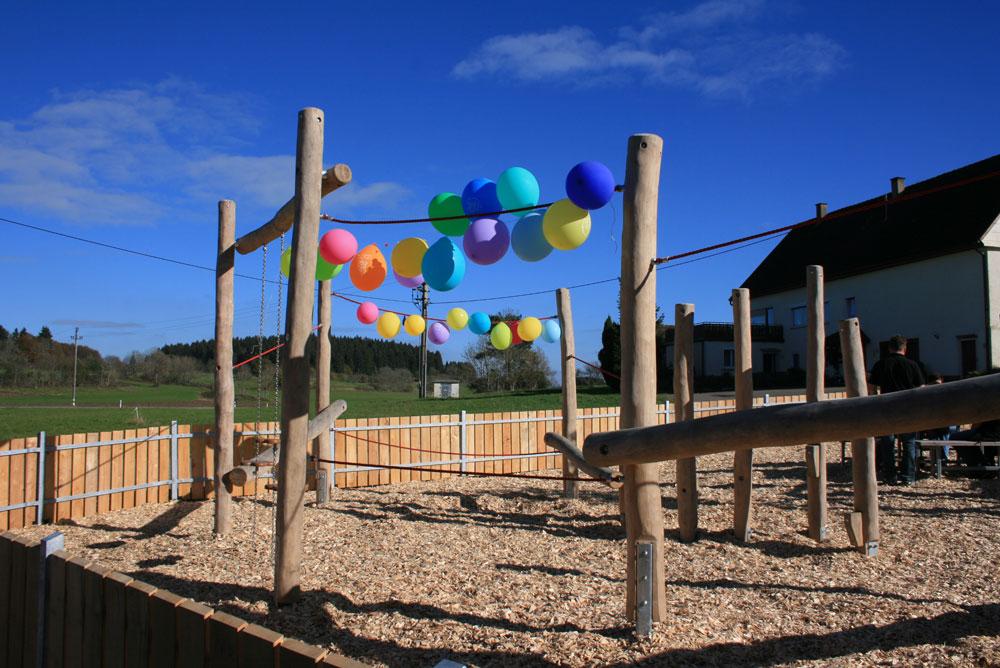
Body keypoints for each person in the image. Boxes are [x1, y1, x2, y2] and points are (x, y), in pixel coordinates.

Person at [870, 335, 925, 484]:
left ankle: (890, 476)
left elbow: (872, 388)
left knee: (888, 443)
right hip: (908, 408)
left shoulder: (880, 365)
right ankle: (908, 476)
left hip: (886, 407)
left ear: (889, 348)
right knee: (909, 443)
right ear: (905, 348)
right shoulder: (912, 365)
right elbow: (921, 388)